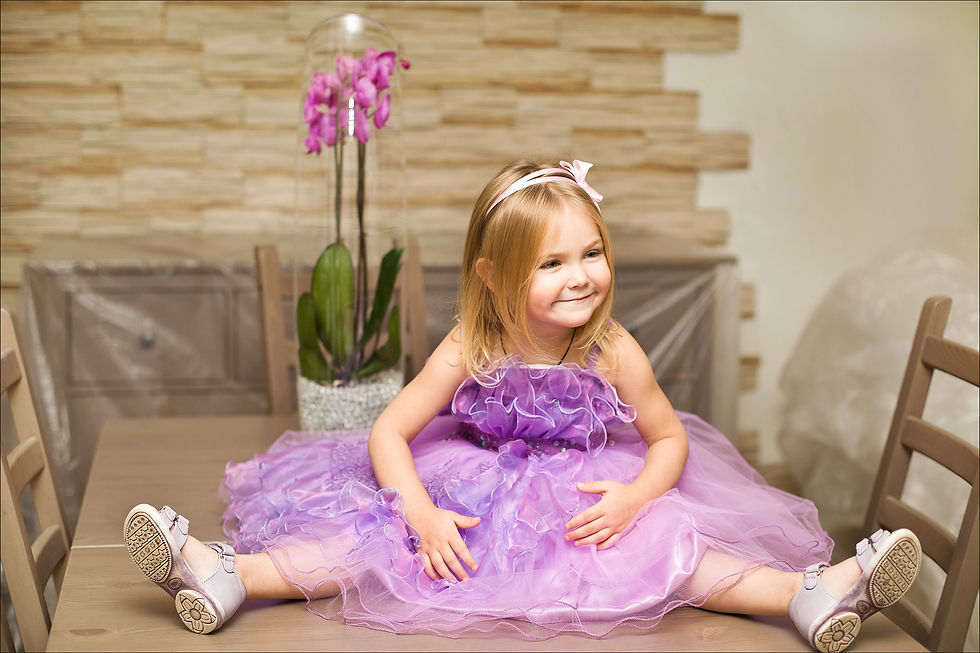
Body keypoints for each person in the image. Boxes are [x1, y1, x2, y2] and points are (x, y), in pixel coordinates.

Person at [124, 159, 921, 651]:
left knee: (673, 550)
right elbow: (390, 431)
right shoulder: (470, 346)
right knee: (376, 541)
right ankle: (227, 575)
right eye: (552, 263)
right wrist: (422, 511)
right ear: (494, 277)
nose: (582, 276)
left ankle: (810, 592)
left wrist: (636, 495)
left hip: (581, 497)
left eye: (593, 253)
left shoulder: (612, 348)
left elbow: (669, 438)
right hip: (469, 490)